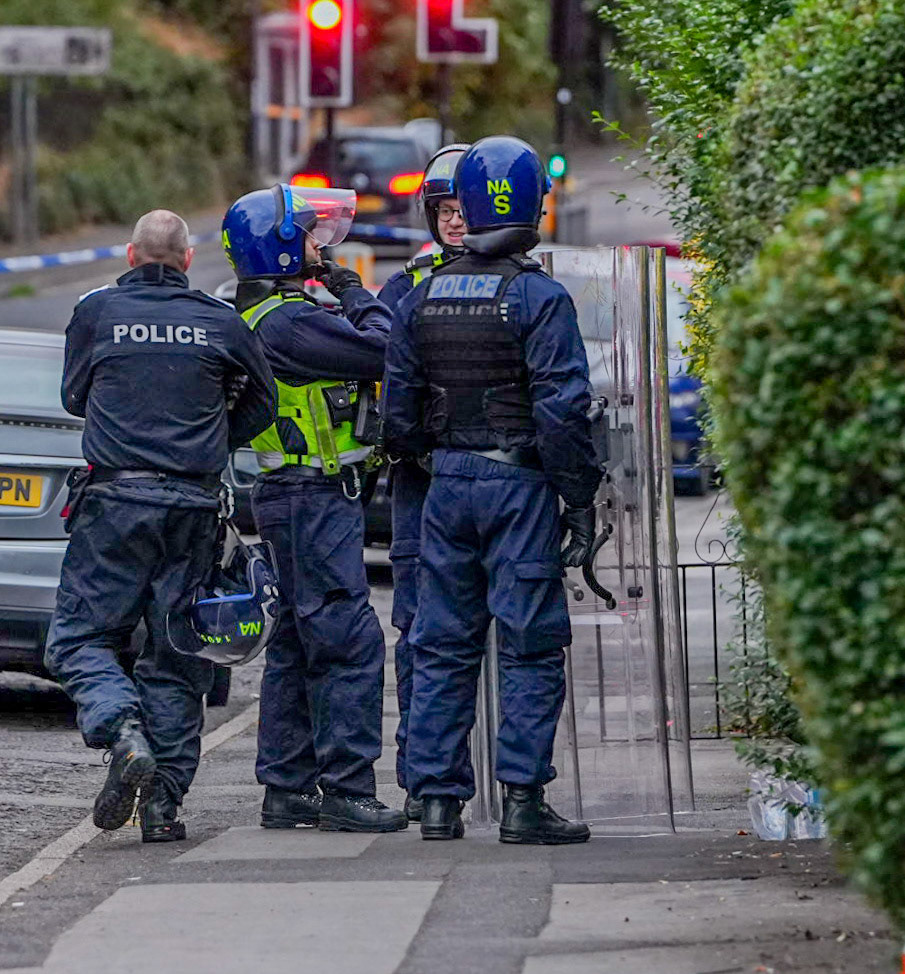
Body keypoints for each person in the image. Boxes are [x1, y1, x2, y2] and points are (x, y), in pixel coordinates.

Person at [383, 137, 602, 844]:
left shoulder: (421, 297)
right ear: (534, 203)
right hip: (519, 486)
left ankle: (437, 802)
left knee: (442, 646)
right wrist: (577, 498)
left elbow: (396, 414)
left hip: (445, 486)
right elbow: (563, 412)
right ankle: (522, 802)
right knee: (529, 645)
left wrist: (438, 459)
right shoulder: (538, 297)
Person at [45, 210, 277, 843]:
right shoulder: (220, 321)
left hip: (115, 505)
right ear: (186, 259)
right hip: (193, 509)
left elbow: (73, 396)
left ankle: (122, 733)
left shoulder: (97, 313)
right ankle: (162, 809)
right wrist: (206, 440)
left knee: (79, 639)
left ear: (130, 255)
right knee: (178, 657)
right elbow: (263, 404)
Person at [222, 183, 407, 833]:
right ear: (277, 248)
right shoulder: (290, 321)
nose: (317, 247)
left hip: (292, 496)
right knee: (347, 640)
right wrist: (353, 290)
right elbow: (389, 345)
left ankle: (288, 787)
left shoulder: (267, 314)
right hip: (313, 499)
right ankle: (347, 790)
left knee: (297, 644)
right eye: (306, 236)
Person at [376, 143, 470, 822]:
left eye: (466, 208)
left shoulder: (526, 283)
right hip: (421, 488)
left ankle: (507, 779)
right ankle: (422, 776)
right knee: (420, 635)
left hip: (496, 485)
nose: (456, 220)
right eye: (445, 210)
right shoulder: (405, 287)